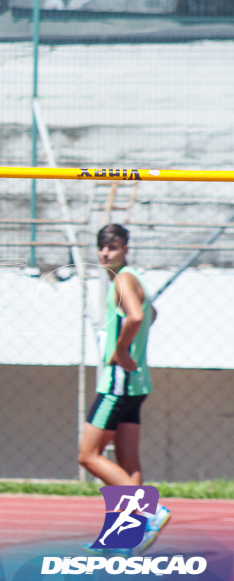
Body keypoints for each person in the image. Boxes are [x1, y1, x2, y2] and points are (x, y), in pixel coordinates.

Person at [79, 224, 170, 555]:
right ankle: (125, 537)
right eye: (101, 247)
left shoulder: (123, 279)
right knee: (128, 461)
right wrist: (135, 344)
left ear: (126, 248)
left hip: (118, 382)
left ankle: (149, 513)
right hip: (137, 383)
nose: (105, 253)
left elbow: (134, 316)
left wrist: (120, 351)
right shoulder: (133, 278)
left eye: (112, 247)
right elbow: (150, 313)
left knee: (88, 455)